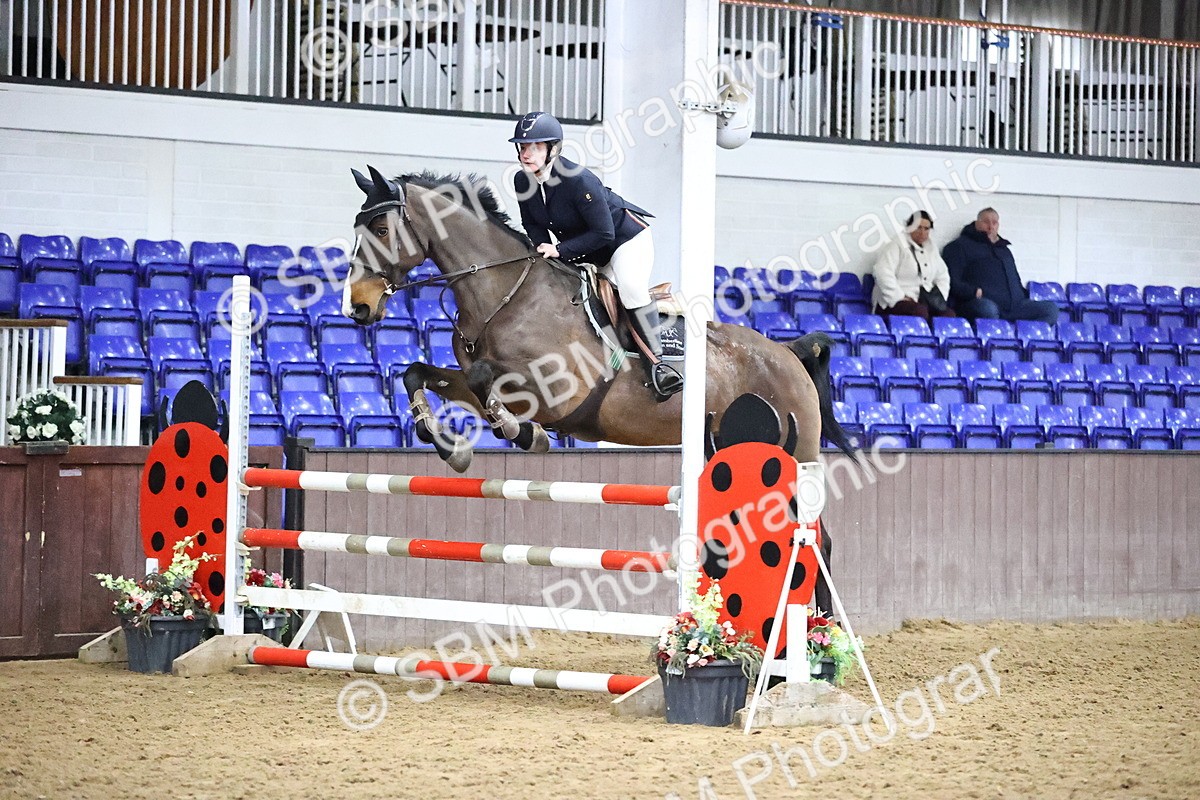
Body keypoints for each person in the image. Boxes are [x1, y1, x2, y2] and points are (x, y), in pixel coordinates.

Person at [509, 111, 682, 400]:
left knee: (629, 289)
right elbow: (533, 224)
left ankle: (659, 366)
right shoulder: (522, 181)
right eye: (523, 147)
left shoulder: (579, 181)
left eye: (536, 147)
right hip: (586, 250)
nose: (527, 153)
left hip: (625, 241)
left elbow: (604, 233)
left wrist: (560, 250)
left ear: (553, 149)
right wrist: (543, 250)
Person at [943, 207, 1059, 324]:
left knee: (1050, 309)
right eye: (986, 222)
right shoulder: (959, 247)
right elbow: (952, 281)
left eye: (994, 222)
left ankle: (1023, 339)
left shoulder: (1004, 249)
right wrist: (973, 292)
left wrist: (1021, 294)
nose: (991, 226)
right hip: (981, 303)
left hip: (1014, 306)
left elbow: (1015, 279)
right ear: (977, 223)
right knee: (988, 309)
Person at [870, 210, 955, 322]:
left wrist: (940, 297)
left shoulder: (931, 249)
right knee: (919, 312)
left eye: (926, 229)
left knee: (948, 315)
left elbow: (943, 276)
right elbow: (882, 272)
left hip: (924, 300)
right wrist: (899, 297)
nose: (922, 232)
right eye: (918, 227)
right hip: (894, 302)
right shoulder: (896, 245)